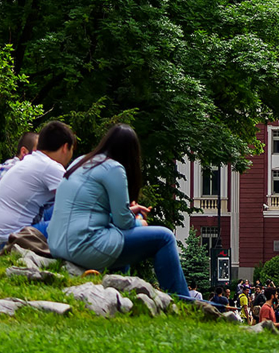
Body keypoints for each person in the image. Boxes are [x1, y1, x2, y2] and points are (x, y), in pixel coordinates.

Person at [47, 124, 189, 296]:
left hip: (57, 244)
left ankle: (119, 294)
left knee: (119, 241)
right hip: (82, 246)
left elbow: (89, 211)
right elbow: (124, 222)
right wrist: (139, 222)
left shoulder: (81, 161)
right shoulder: (114, 168)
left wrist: (128, 212)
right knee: (164, 237)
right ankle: (184, 300)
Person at [0, 121, 75, 243]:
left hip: (5, 232)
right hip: (11, 237)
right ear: (65, 147)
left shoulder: (31, 159)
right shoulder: (50, 167)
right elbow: (80, 200)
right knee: (76, 222)